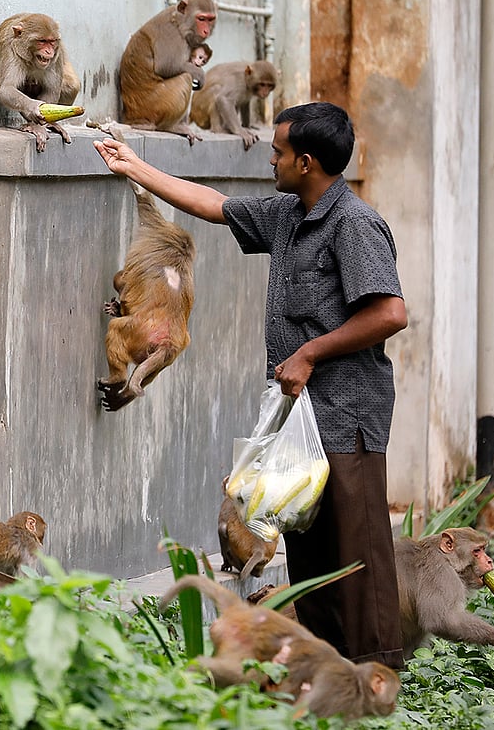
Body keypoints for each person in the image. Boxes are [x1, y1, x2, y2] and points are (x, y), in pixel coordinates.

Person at [95, 101, 407, 669]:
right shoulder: (290, 213)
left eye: (279, 151)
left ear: (306, 162)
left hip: (346, 413)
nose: (271, 157)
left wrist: (309, 351)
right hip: (299, 416)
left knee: (356, 549)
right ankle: (325, 670)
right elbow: (216, 207)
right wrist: (135, 168)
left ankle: (375, 672)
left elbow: (389, 314)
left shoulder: (355, 224)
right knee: (309, 545)